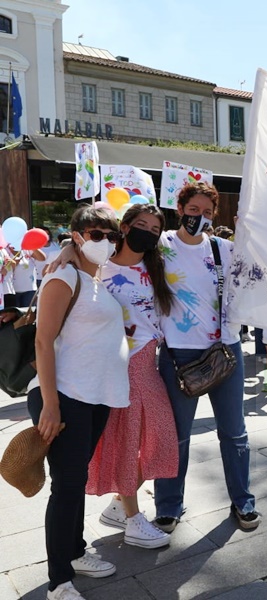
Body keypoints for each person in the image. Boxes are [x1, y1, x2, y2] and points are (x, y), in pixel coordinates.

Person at [28, 206, 129, 600]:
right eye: (95, 232)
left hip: (94, 395)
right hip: (65, 395)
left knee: (76, 480)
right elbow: (42, 341)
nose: (104, 240)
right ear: (76, 235)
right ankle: (58, 582)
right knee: (67, 486)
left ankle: (74, 551)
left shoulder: (96, 278)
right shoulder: (64, 275)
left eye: (111, 234)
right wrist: (50, 405)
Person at [153, 182, 260, 533]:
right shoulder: (161, 245)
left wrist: (252, 227)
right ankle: (169, 506)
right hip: (179, 354)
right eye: (194, 210)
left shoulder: (224, 249)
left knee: (234, 433)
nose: (199, 218)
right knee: (176, 435)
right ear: (179, 207)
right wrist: (64, 253)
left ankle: (243, 501)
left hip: (225, 351)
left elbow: (262, 270)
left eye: (208, 213)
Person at [87, 204, 178, 549]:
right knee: (131, 439)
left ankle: (120, 505)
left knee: (157, 438)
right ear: (124, 227)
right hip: (115, 362)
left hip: (147, 359)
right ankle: (133, 520)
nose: (148, 233)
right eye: (141, 225)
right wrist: (66, 249)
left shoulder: (156, 266)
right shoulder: (98, 265)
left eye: (155, 230)